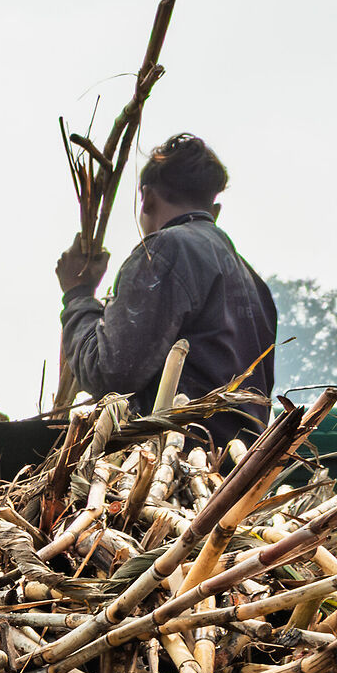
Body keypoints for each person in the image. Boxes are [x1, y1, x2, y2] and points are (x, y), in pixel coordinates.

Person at [55, 133, 276, 444]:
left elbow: (111, 373)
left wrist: (77, 294)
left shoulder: (164, 251)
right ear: (214, 208)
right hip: (235, 464)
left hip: (178, 458)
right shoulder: (253, 281)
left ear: (146, 197)